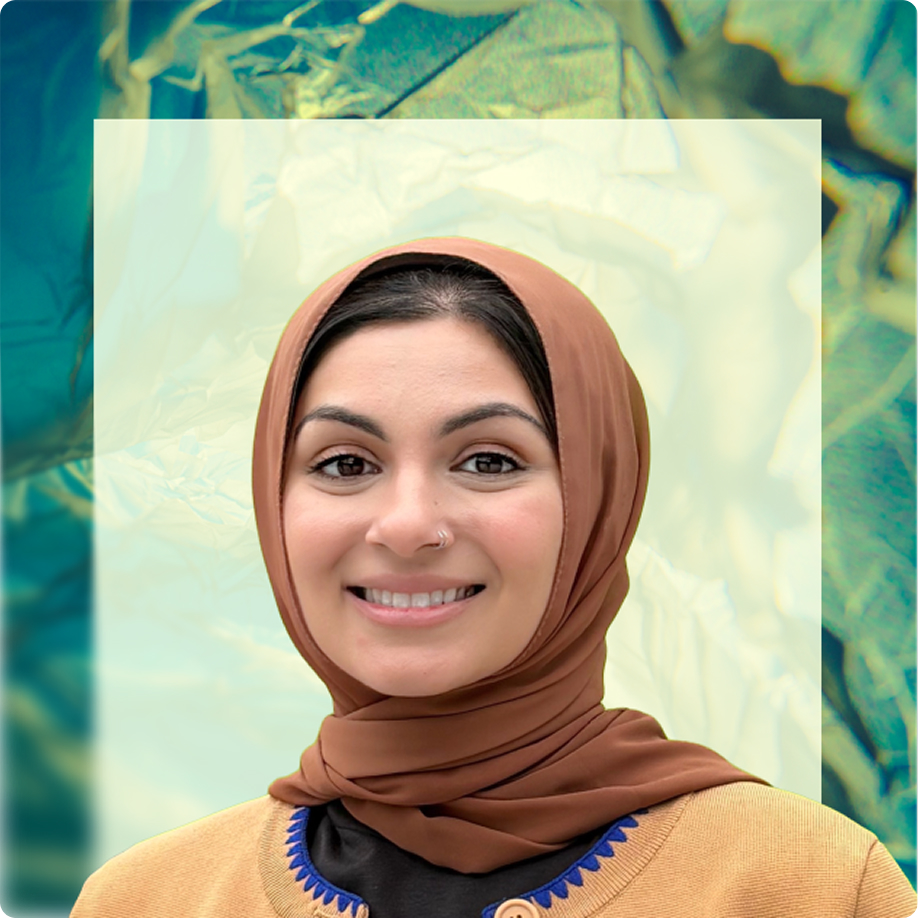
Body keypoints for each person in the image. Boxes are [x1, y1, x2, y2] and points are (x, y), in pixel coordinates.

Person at [72, 238, 915, 917]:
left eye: (487, 460)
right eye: (345, 463)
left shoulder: (811, 887)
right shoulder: (146, 901)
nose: (407, 524)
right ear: (272, 502)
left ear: (598, 497)